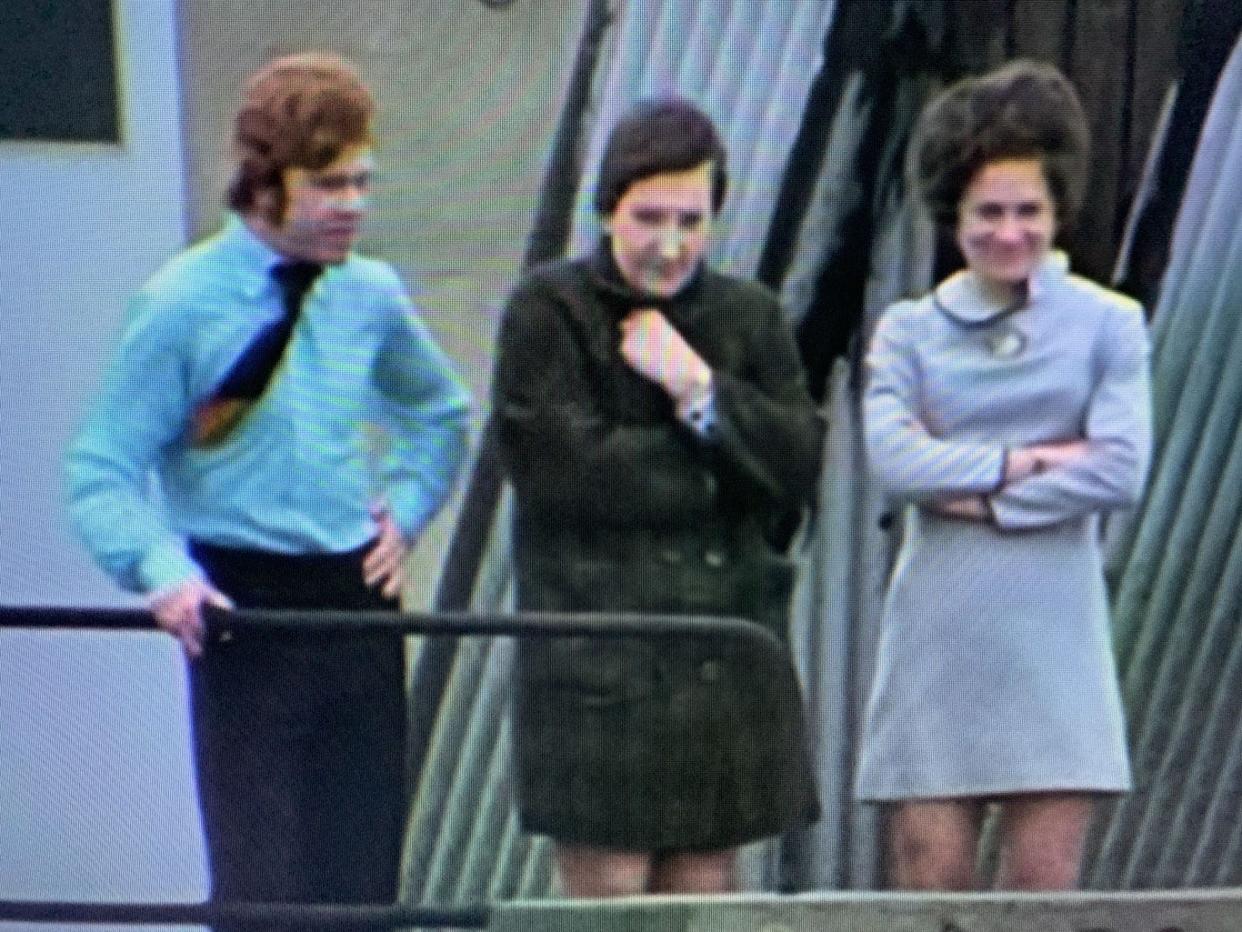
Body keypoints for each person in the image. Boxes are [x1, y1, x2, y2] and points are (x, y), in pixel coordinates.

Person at [65, 53, 470, 926]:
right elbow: (100, 468)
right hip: (241, 602)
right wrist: (161, 571)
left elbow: (439, 411)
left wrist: (404, 510)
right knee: (263, 888)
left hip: (354, 598)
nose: (353, 204)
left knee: (362, 885)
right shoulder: (180, 302)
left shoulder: (369, 292)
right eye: (329, 184)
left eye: (364, 180)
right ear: (263, 183)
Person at [493, 98, 822, 897]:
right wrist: (719, 464)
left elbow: (799, 461)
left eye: (692, 219)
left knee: (704, 914)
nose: (671, 245)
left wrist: (698, 386)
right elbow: (565, 473)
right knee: (610, 917)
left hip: (721, 660)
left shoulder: (751, 315)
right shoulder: (549, 311)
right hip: (600, 672)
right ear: (607, 209)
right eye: (649, 218)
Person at [856, 59, 1153, 890]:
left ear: (1058, 209)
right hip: (939, 638)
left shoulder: (1109, 325)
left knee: (1044, 893)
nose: (1011, 232)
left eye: (1030, 211)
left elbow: (1119, 471)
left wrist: (978, 501)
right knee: (930, 882)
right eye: (990, 212)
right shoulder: (911, 331)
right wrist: (1024, 462)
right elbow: (897, 462)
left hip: (1054, 634)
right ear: (955, 213)